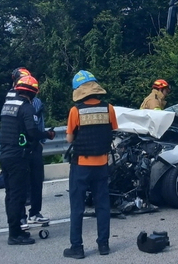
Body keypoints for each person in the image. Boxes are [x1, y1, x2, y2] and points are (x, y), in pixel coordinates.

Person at [64, 70, 118, 259]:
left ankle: (77, 248)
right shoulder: (108, 108)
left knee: (77, 207)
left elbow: (70, 139)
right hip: (102, 164)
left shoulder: (75, 111)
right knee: (103, 205)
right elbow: (113, 131)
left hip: (81, 164)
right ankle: (104, 245)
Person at [0, 75, 55, 245]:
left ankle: (13, 229)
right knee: (18, 195)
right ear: (32, 92)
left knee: (10, 195)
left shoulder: (8, 106)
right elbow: (32, 132)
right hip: (18, 156)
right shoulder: (26, 108)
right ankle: (15, 235)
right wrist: (47, 134)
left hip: (5, 154)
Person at [8, 67, 50, 230]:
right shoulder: (11, 99)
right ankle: (21, 217)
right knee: (20, 184)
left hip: (34, 146)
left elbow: (40, 122)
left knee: (36, 181)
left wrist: (41, 142)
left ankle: (35, 213)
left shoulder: (36, 101)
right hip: (19, 147)